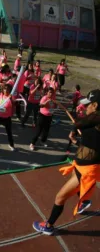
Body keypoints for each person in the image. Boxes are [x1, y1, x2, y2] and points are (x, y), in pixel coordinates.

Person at [33, 89, 100, 235]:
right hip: (82, 166)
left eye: (88, 105)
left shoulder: (96, 120)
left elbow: (80, 123)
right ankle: (83, 201)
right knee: (72, 186)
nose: (85, 107)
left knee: (60, 197)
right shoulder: (93, 122)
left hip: (87, 171)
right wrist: (76, 141)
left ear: (95, 105)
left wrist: (76, 124)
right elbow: (92, 144)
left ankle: (48, 225)